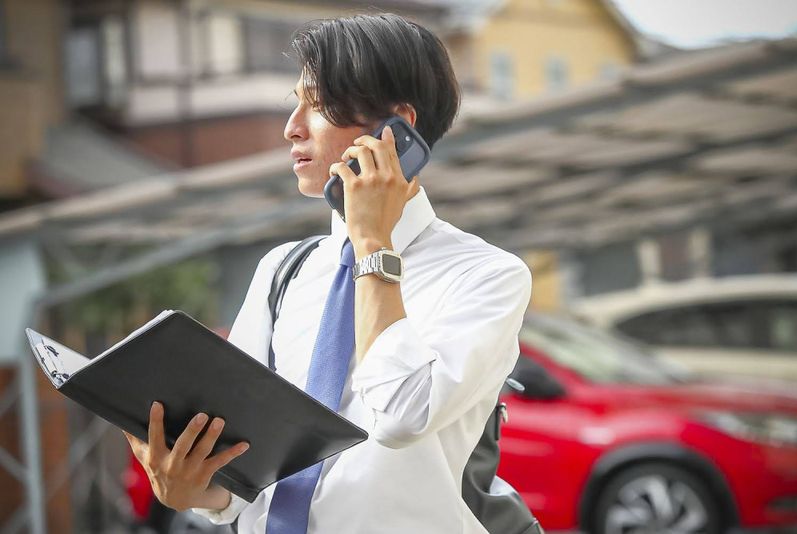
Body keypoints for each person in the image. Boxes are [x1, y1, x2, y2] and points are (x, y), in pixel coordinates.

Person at [123, 12, 532, 534]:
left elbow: (401, 416)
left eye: (316, 105)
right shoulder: (283, 271)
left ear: (394, 128)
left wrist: (372, 245)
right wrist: (194, 490)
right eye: (295, 102)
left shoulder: (487, 275)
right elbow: (244, 469)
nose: (291, 126)